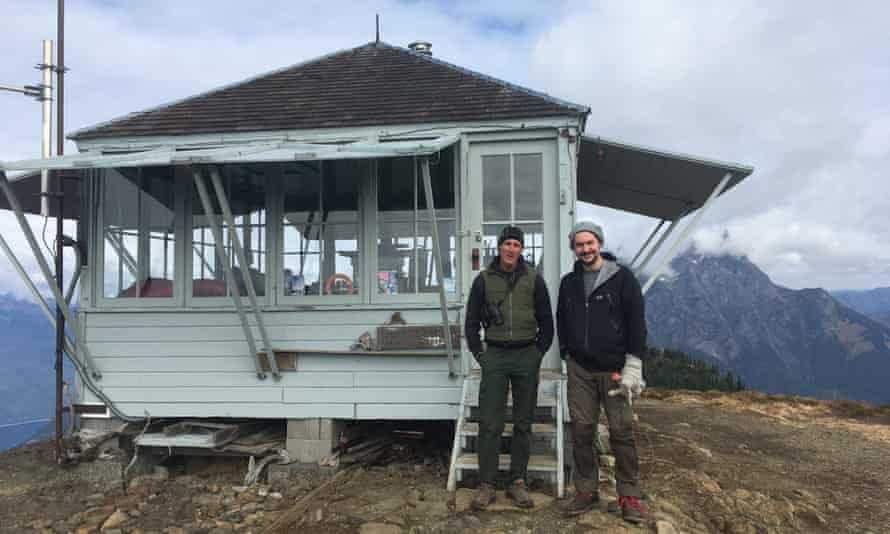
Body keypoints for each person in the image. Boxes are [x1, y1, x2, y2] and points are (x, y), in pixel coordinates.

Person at [556, 221, 648, 523]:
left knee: (621, 432)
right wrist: (565, 354)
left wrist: (634, 365)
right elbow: (562, 320)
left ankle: (629, 496)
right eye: (579, 245)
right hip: (580, 368)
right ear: (574, 248)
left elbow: (637, 323)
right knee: (582, 431)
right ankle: (586, 491)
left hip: (616, 370)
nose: (585, 249)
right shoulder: (569, 283)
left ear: (599, 243)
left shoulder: (623, 279)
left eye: (589, 243)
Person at [464, 225, 554, 510]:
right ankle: (487, 484)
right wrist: (481, 355)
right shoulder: (483, 281)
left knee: (523, 422)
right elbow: (470, 324)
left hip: (526, 354)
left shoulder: (535, 281)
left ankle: (518, 482)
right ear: (499, 247)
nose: (511, 249)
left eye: (516, 244)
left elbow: (547, 323)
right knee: (490, 422)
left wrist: (537, 354)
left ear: (521, 249)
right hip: (496, 357)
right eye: (507, 244)